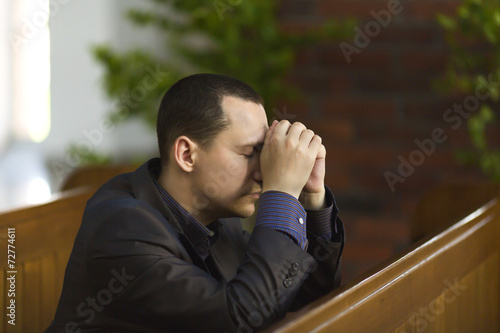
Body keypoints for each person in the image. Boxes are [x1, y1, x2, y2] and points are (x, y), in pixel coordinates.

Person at [46, 74, 344, 333]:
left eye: (264, 151)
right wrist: (281, 194)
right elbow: (242, 320)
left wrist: (309, 196)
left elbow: (306, 293)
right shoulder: (122, 230)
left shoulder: (214, 212)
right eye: (249, 152)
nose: (263, 171)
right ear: (187, 155)